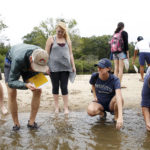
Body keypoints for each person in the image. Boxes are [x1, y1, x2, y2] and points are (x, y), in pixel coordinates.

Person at [4, 43, 49, 131]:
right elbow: (11, 82)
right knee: (11, 91)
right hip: (12, 61)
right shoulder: (18, 59)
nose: (37, 69)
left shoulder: (42, 55)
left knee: (38, 90)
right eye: (36, 67)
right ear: (31, 59)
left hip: (29, 64)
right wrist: (25, 85)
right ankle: (16, 124)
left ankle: (31, 123)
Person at [45, 22, 76, 114]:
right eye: (59, 31)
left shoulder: (67, 40)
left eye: (62, 32)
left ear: (64, 31)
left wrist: (73, 65)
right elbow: (46, 53)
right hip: (53, 67)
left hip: (66, 67)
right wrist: (46, 66)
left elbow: (71, 54)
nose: (60, 33)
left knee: (64, 87)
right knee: (55, 87)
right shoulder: (51, 39)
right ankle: (57, 107)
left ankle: (66, 108)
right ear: (56, 29)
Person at [87, 58, 124, 130]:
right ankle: (102, 114)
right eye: (98, 67)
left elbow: (119, 96)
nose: (99, 69)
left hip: (111, 104)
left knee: (120, 98)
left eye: (101, 67)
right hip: (100, 103)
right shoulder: (95, 76)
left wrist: (120, 117)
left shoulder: (115, 79)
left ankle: (116, 117)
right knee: (90, 111)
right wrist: (94, 96)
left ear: (108, 69)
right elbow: (93, 85)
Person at [111, 22, 129, 87]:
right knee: (121, 69)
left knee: (116, 69)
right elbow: (126, 44)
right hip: (121, 52)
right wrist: (127, 54)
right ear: (123, 27)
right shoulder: (124, 33)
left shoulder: (115, 33)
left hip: (114, 52)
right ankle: (118, 85)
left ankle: (114, 84)